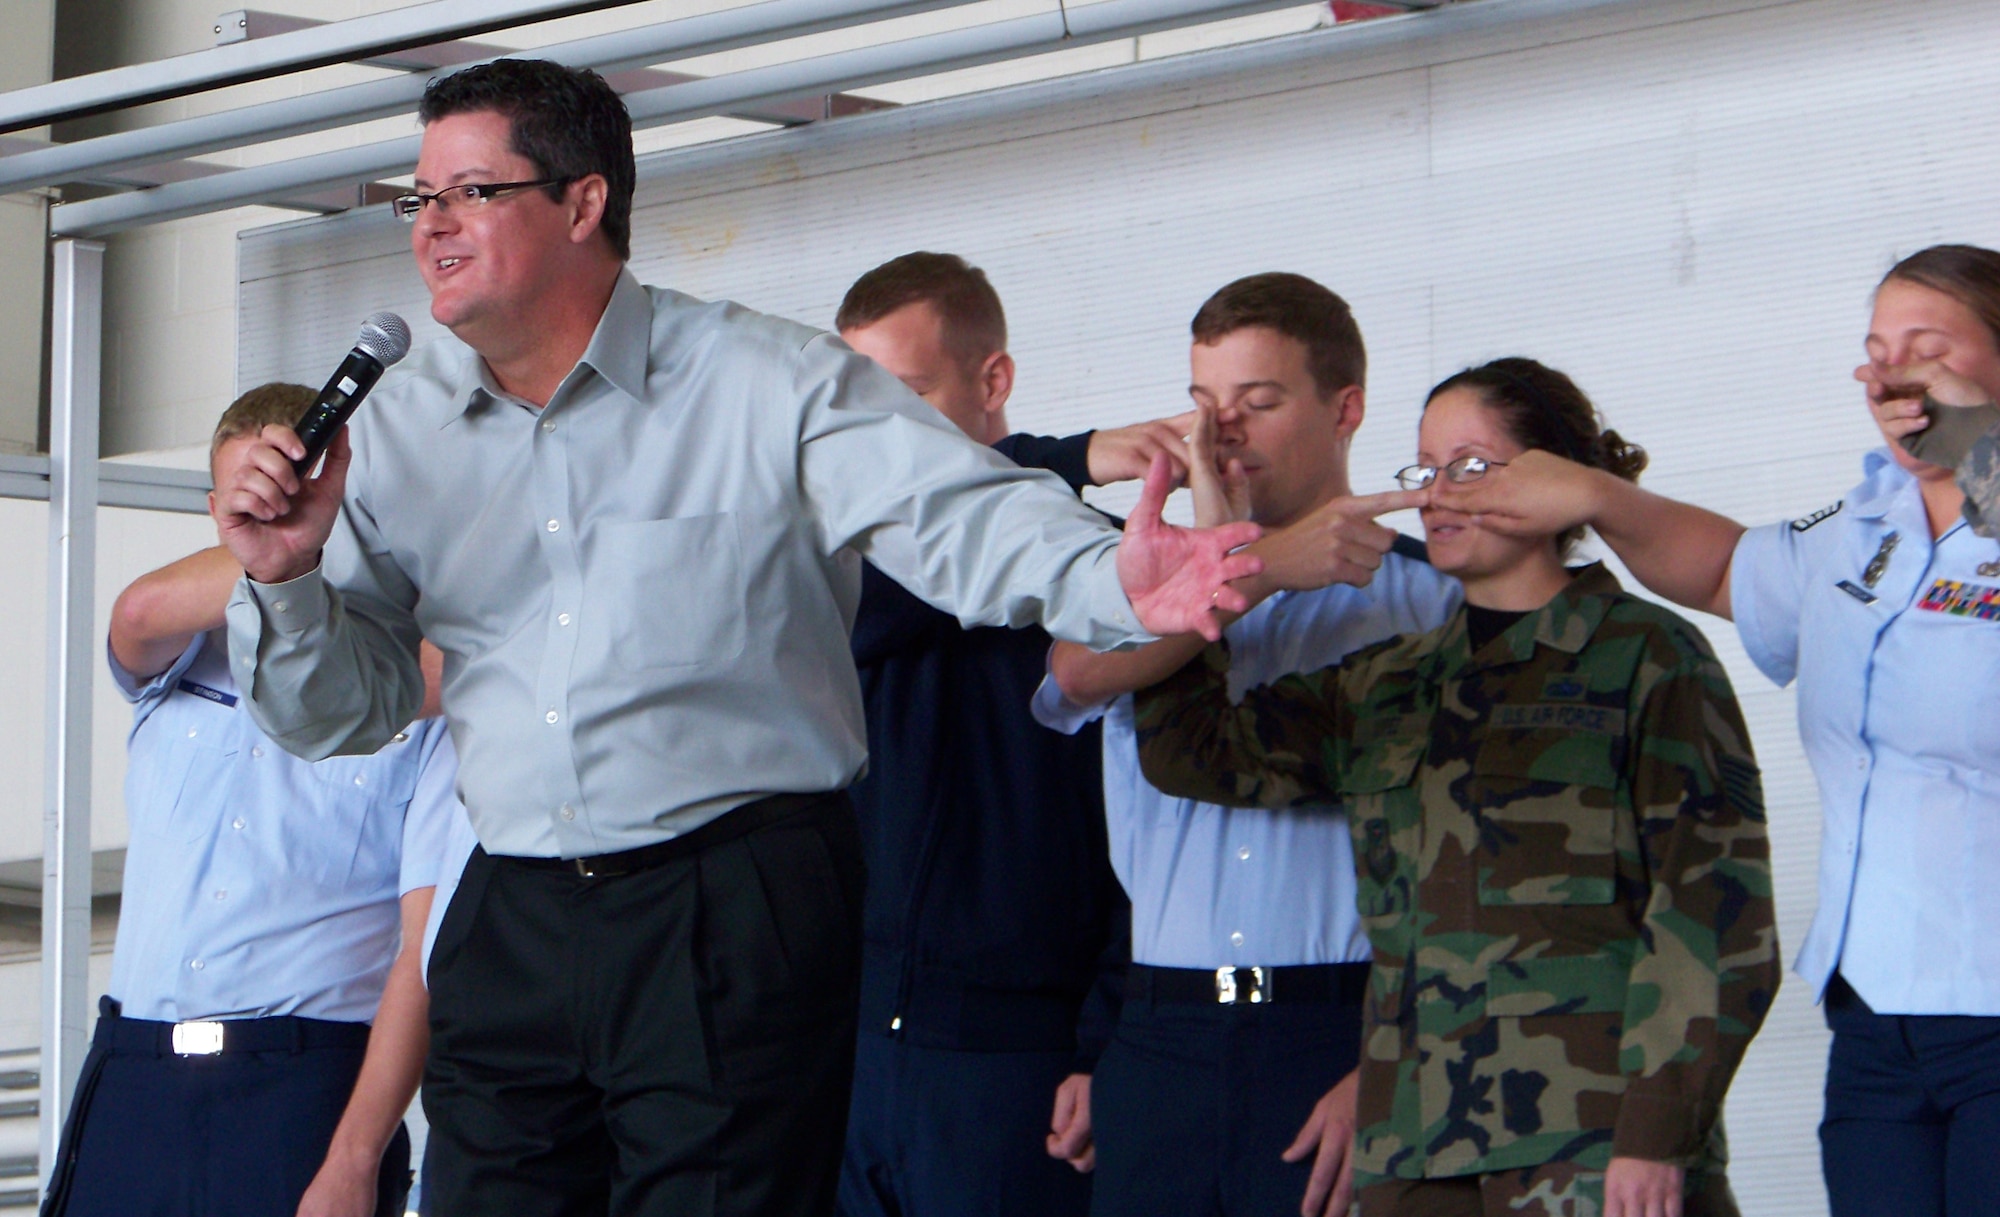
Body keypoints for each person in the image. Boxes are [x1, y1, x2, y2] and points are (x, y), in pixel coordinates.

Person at [207, 60, 1259, 1217]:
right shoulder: (391, 430)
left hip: (729, 896)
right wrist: (286, 573)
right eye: (418, 199)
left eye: (469, 192)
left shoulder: (761, 378)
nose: (432, 227)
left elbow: (957, 513)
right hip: (510, 908)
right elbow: (334, 713)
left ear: (582, 201)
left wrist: (1112, 575)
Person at [1133, 357, 1780, 1217]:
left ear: (1559, 478)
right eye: (1424, 470)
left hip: (1591, 1151)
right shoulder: (1387, 683)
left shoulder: (1644, 656)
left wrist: (1657, 1135)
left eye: (1471, 466)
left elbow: (1714, 914)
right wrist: (1223, 558)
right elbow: (1190, 751)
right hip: (1413, 1153)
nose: (1437, 493)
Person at [1439, 245, 2000, 1217]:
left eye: (1925, 345)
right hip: (1874, 1016)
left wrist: (1974, 444)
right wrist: (1596, 495)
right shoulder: (1864, 527)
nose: (1886, 371)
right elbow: (1725, 571)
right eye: (1874, 349)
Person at [1031, 272, 1454, 1217]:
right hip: (1159, 1037)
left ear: (1345, 409)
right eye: (1203, 404)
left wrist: (1394, 1062)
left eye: (1257, 403)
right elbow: (1072, 676)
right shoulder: (1140, 583)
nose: (1222, 433)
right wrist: (1246, 568)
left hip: (1338, 1032)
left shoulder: (1435, 603)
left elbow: (1474, 878)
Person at [40, 384, 460, 1217]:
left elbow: (420, 956)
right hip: (134, 1074)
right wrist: (277, 557)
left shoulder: (420, 692)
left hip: (302, 1087)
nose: (266, 506)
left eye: (288, 489)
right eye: (245, 495)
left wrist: (355, 1159)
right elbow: (136, 611)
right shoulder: (180, 648)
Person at [833, 250, 1185, 1217]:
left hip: (1020, 1068)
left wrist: (1100, 1043)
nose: (876, 438)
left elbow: (1145, 835)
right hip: (848, 1054)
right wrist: (1060, 453)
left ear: (993, 379)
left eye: (905, 394)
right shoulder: (846, 575)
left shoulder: (1107, 575)